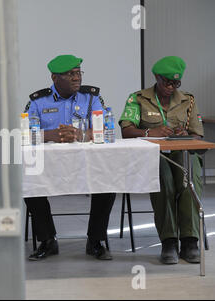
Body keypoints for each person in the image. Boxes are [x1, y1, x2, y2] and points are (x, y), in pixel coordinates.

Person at [24, 54, 116, 261]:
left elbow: (102, 127)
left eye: (78, 73)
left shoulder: (91, 98)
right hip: (49, 166)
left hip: (86, 164)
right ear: (55, 78)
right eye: (70, 74)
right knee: (28, 183)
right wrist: (51, 135)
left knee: (108, 183)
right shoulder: (38, 101)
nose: (77, 78)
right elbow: (25, 133)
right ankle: (47, 241)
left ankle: (95, 240)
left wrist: (79, 134)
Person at [119, 56, 203, 264]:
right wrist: (150, 131)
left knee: (188, 175)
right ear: (156, 77)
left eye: (176, 83)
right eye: (167, 82)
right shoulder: (138, 98)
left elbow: (198, 136)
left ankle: (190, 240)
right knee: (163, 179)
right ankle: (169, 241)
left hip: (180, 153)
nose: (171, 87)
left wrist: (186, 135)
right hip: (152, 155)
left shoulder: (188, 100)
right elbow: (126, 130)